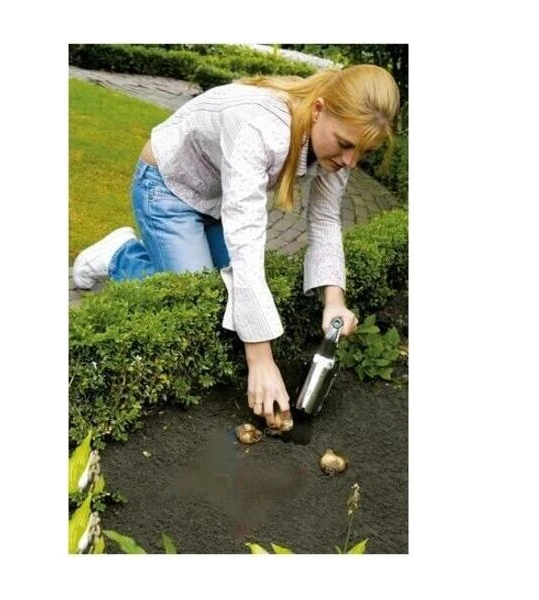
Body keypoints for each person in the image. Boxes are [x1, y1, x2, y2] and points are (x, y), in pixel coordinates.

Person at [73, 64, 400, 429]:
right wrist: (261, 361)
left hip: (216, 197)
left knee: (228, 296)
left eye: (362, 153)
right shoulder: (260, 127)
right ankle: (119, 256)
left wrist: (334, 300)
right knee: (195, 297)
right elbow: (246, 244)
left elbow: (324, 220)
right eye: (345, 145)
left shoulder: (334, 151)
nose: (350, 162)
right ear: (319, 110)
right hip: (167, 187)